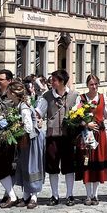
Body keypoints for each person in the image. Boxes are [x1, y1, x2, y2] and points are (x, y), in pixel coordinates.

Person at [36, 70, 79, 206]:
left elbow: (79, 114)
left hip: (68, 136)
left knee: (69, 167)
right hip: (52, 137)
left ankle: (70, 195)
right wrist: (38, 119)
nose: (51, 82)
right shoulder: (46, 96)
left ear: (61, 82)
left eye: (54, 80)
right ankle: (54, 195)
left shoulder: (74, 95)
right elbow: (38, 112)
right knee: (52, 167)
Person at [0, 69, 20, 208]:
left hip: (10, 135)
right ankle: (11, 194)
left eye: (1, 79)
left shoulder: (14, 94)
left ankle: (10, 195)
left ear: (9, 81)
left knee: (9, 166)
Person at [76, 74, 107, 205]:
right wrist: (86, 123)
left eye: (95, 84)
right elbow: (75, 116)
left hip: (99, 135)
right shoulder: (82, 98)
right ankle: (88, 195)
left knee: (98, 163)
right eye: (91, 84)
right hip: (86, 135)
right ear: (87, 85)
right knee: (86, 163)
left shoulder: (102, 97)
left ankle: (95, 194)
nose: (94, 87)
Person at [13, 82, 44, 208]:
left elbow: (28, 126)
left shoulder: (24, 107)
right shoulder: (19, 105)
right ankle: (26, 195)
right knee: (24, 166)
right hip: (25, 140)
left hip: (31, 139)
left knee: (33, 167)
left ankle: (34, 196)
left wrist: (15, 129)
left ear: (14, 94)